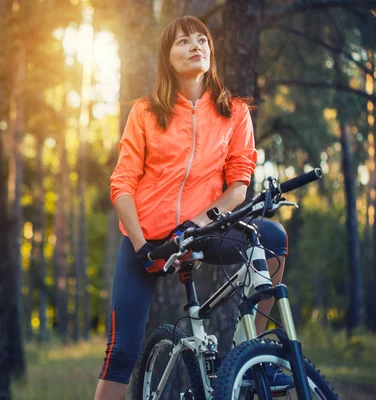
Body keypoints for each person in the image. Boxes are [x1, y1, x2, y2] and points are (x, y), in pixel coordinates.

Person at [94, 16, 292, 400]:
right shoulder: (147, 112)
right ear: (168, 58)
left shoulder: (234, 113)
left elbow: (237, 188)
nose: (196, 46)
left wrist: (192, 225)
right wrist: (140, 244)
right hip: (146, 240)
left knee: (271, 237)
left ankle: (258, 354)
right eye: (183, 42)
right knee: (120, 354)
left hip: (203, 231)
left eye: (202, 40)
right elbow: (122, 184)